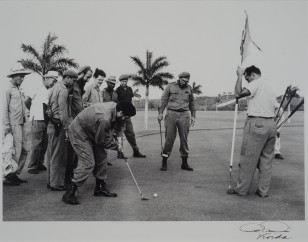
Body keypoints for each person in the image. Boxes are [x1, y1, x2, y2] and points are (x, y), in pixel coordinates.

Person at [62, 101, 136, 205]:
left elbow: (119, 127)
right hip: (78, 131)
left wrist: (120, 143)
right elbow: (101, 141)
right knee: (88, 162)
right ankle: (70, 192)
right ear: (121, 113)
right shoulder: (104, 118)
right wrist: (117, 148)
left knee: (102, 157)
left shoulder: (118, 110)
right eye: (127, 117)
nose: (127, 119)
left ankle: (100, 187)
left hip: (92, 130)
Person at [227, 65, 278, 198]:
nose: (247, 81)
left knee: (248, 159)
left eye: (247, 78)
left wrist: (239, 75)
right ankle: (263, 191)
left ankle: (241, 189)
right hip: (271, 124)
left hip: (257, 123)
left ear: (253, 75)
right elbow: (277, 107)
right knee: (266, 160)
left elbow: (238, 94)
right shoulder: (269, 86)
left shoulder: (256, 83)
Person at [45, 70, 78, 191]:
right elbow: (63, 112)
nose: (74, 83)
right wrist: (66, 128)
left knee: (51, 155)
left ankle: (51, 181)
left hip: (51, 124)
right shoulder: (63, 90)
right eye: (73, 80)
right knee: (59, 156)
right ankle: (57, 183)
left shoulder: (54, 87)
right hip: (59, 125)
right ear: (68, 78)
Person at [157, 72, 196, 171]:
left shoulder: (189, 88)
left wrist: (193, 116)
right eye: (183, 80)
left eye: (187, 81)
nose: (185, 83)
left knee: (184, 139)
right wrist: (160, 113)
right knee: (169, 139)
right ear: (179, 78)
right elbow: (164, 100)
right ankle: (164, 162)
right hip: (171, 114)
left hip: (184, 115)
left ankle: (184, 163)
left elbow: (192, 103)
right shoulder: (170, 86)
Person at [2, 63, 31, 185]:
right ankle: (9, 175)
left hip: (22, 123)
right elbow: (3, 109)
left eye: (23, 76)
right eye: (20, 76)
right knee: (14, 150)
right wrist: (7, 125)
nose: (22, 79)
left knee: (24, 149)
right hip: (13, 124)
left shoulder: (18, 89)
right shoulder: (7, 89)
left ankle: (15, 173)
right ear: (13, 76)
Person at [25, 71, 58, 174]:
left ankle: (39, 163)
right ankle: (32, 166)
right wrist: (34, 110)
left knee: (44, 143)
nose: (54, 83)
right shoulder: (37, 86)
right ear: (47, 78)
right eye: (53, 80)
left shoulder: (49, 90)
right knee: (36, 143)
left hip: (46, 119)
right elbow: (27, 100)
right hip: (38, 118)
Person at [65, 65, 92, 186]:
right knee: (70, 153)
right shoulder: (71, 86)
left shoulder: (81, 88)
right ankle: (67, 178)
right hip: (72, 123)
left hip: (79, 122)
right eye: (87, 77)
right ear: (80, 74)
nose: (88, 80)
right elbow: (67, 106)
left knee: (75, 153)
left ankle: (72, 175)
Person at [115, 74, 146, 159]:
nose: (124, 83)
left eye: (125, 81)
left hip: (128, 116)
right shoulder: (117, 90)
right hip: (120, 117)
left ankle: (136, 152)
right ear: (120, 82)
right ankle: (120, 153)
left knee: (131, 134)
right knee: (120, 135)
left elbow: (131, 100)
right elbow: (116, 104)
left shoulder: (129, 89)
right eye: (122, 81)